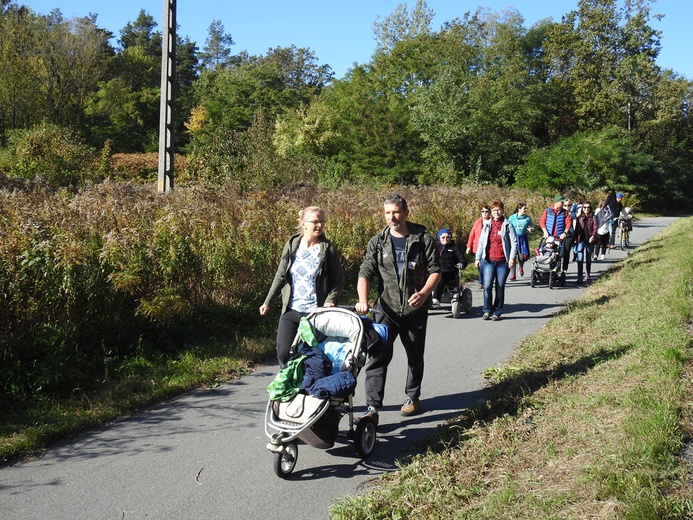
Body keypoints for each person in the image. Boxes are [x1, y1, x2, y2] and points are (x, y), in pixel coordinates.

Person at [355, 194, 440, 421]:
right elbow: (365, 273)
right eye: (387, 213)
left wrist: (423, 294)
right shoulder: (378, 242)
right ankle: (372, 408)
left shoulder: (422, 239)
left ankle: (412, 396)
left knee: (414, 356)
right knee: (377, 357)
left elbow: (435, 271)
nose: (392, 217)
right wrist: (363, 299)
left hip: (415, 311)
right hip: (386, 310)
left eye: (396, 212)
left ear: (406, 213)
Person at [259, 206, 344, 368]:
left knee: (311, 356)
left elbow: (338, 281)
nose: (319, 225)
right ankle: (289, 388)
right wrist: (267, 301)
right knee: (284, 353)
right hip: (291, 310)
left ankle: (307, 389)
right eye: (315, 222)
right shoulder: (292, 245)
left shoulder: (328, 250)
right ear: (303, 223)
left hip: (315, 312)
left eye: (322, 222)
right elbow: (281, 275)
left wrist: (330, 300)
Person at [474, 200, 517, 321]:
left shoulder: (507, 225)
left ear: (502, 210)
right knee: (487, 286)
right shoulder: (487, 224)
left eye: (498, 210)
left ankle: (497, 312)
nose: (496, 212)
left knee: (500, 287)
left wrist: (512, 258)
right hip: (488, 261)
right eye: (494, 210)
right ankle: (487, 310)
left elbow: (514, 243)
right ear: (491, 212)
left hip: (503, 261)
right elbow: (481, 242)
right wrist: (478, 257)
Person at [432, 228, 467, 308]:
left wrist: (461, 264)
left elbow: (463, 260)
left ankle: (435, 298)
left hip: (449, 272)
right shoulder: (434, 247)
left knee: (441, 274)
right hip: (434, 270)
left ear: (450, 238)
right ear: (439, 238)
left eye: (448, 237)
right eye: (443, 237)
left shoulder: (455, 248)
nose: (445, 239)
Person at [540, 195, 573, 274]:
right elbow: (542, 221)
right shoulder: (548, 211)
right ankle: (553, 270)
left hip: (559, 237)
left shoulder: (564, 212)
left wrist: (565, 232)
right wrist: (545, 232)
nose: (563, 204)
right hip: (550, 237)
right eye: (562, 202)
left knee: (560, 253)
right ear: (556, 202)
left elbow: (568, 222)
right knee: (550, 253)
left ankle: (562, 270)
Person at [572, 200, 598, 285]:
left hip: (589, 240)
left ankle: (587, 274)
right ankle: (579, 276)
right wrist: (574, 239)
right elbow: (576, 229)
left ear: (591, 209)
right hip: (581, 240)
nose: (587, 209)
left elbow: (595, 227)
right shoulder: (579, 217)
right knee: (580, 258)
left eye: (588, 207)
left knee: (588, 258)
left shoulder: (593, 217)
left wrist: (593, 236)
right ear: (582, 208)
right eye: (585, 207)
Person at [507, 202, 534, 280]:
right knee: (512, 256)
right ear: (519, 209)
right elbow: (507, 226)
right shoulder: (512, 218)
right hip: (513, 239)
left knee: (522, 257)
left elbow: (532, 228)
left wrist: (531, 229)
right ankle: (513, 274)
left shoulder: (527, 218)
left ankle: (521, 266)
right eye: (524, 208)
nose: (525, 210)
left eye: (526, 208)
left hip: (523, 239)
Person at [466, 205, 491, 289]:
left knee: (485, 264)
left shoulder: (491, 222)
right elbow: (472, 234)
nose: (484, 213)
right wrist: (469, 246)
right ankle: (482, 281)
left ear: (489, 213)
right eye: (483, 211)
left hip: (488, 247)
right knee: (479, 265)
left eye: (486, 211)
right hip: (477, 247)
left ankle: (483, 281)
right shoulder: (477, 222)